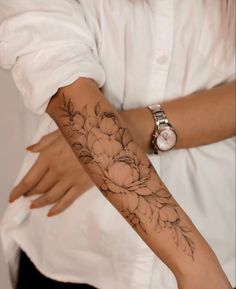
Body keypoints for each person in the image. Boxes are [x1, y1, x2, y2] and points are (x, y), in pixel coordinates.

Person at [0, 0, 235, 289]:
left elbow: (84, 120)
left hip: (223, 238)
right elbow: (65, 85)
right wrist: (197, 268)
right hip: (77, 253)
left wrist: (108, 136)